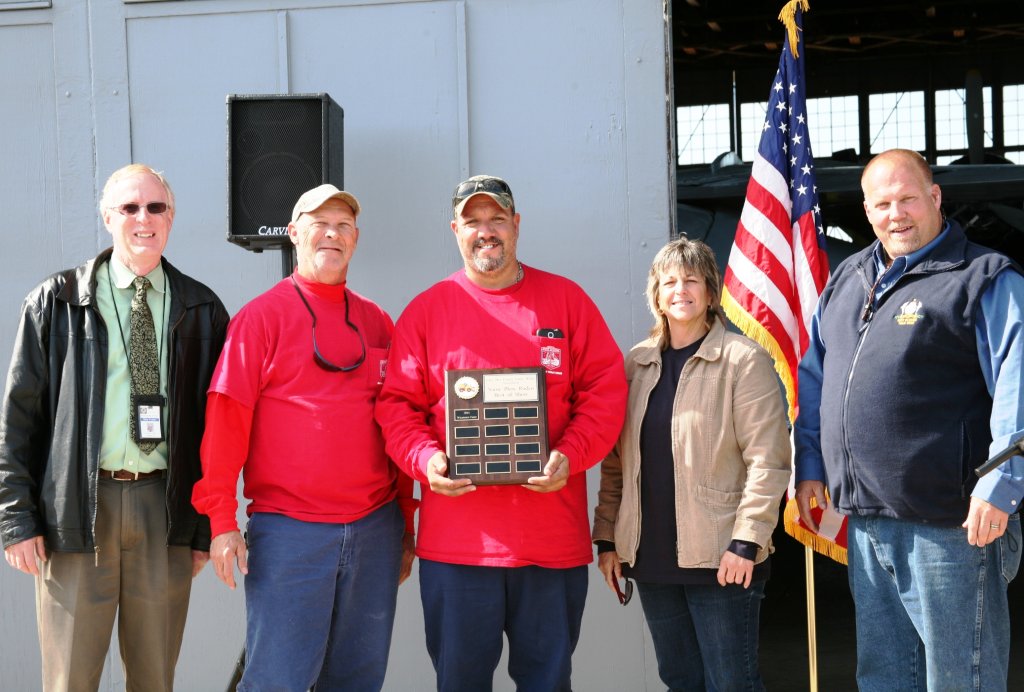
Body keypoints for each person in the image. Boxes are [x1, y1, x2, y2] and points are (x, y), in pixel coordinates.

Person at [375, 174, 627, 691]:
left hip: (550, 544)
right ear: (454, 231)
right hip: (459, 549)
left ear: (516, 224)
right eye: (473, 222)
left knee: (548, 682)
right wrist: (426, 460)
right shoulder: (427, 311)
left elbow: (605, 394)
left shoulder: (566, 301)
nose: (485, 232)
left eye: (496, 220)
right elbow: (396, 407)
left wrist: (571, 455)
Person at [794, 148, 1024, 691]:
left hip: (951, 527)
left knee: (958, 679)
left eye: (908, 199)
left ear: (935, 198)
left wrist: (1001, 481)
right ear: (867, 212)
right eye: (882, 204)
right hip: (868, 523)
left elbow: (1019, 383)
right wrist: (810, 465)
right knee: (884, 677)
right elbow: (815, 380)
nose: (896, 213)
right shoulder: (847, 279)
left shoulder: (984, 278)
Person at [0, 164, 229, 691]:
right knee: (70, 680)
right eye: (129, 208)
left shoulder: (202, 308)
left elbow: (215, 429)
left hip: (163, 509)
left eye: (155, 207)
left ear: (171, 217)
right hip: (77, 512)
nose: (142, 219)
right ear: (107, 217)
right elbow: (19, 420)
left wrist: (202, 526)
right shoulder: (54, 302)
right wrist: (17, 518)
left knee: (155, 679)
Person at [191, 184, 416, 691]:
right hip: (290, 534)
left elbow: (398, 422)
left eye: (342, 226)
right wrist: (221, 520)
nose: (331, 234)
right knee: (277, 680)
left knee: (358, 680)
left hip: (375, 531)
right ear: (294, 234)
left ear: (355, 239)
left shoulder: (379, 321)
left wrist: (405, 521)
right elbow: (226, 422)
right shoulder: (260, 319)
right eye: (319, 224)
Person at [592, 237, 790, 691]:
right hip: (651, 557)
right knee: (680, 680)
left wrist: (747, 540)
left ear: (710, 291)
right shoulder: (636, 365)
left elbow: (769, 460)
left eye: (691, 280)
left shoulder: (744, 360)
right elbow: (615, 464)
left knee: (731, 683)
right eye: (669, 282)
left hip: (723, 556)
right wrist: (607, 538)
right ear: (656, 294)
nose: (680, 290)